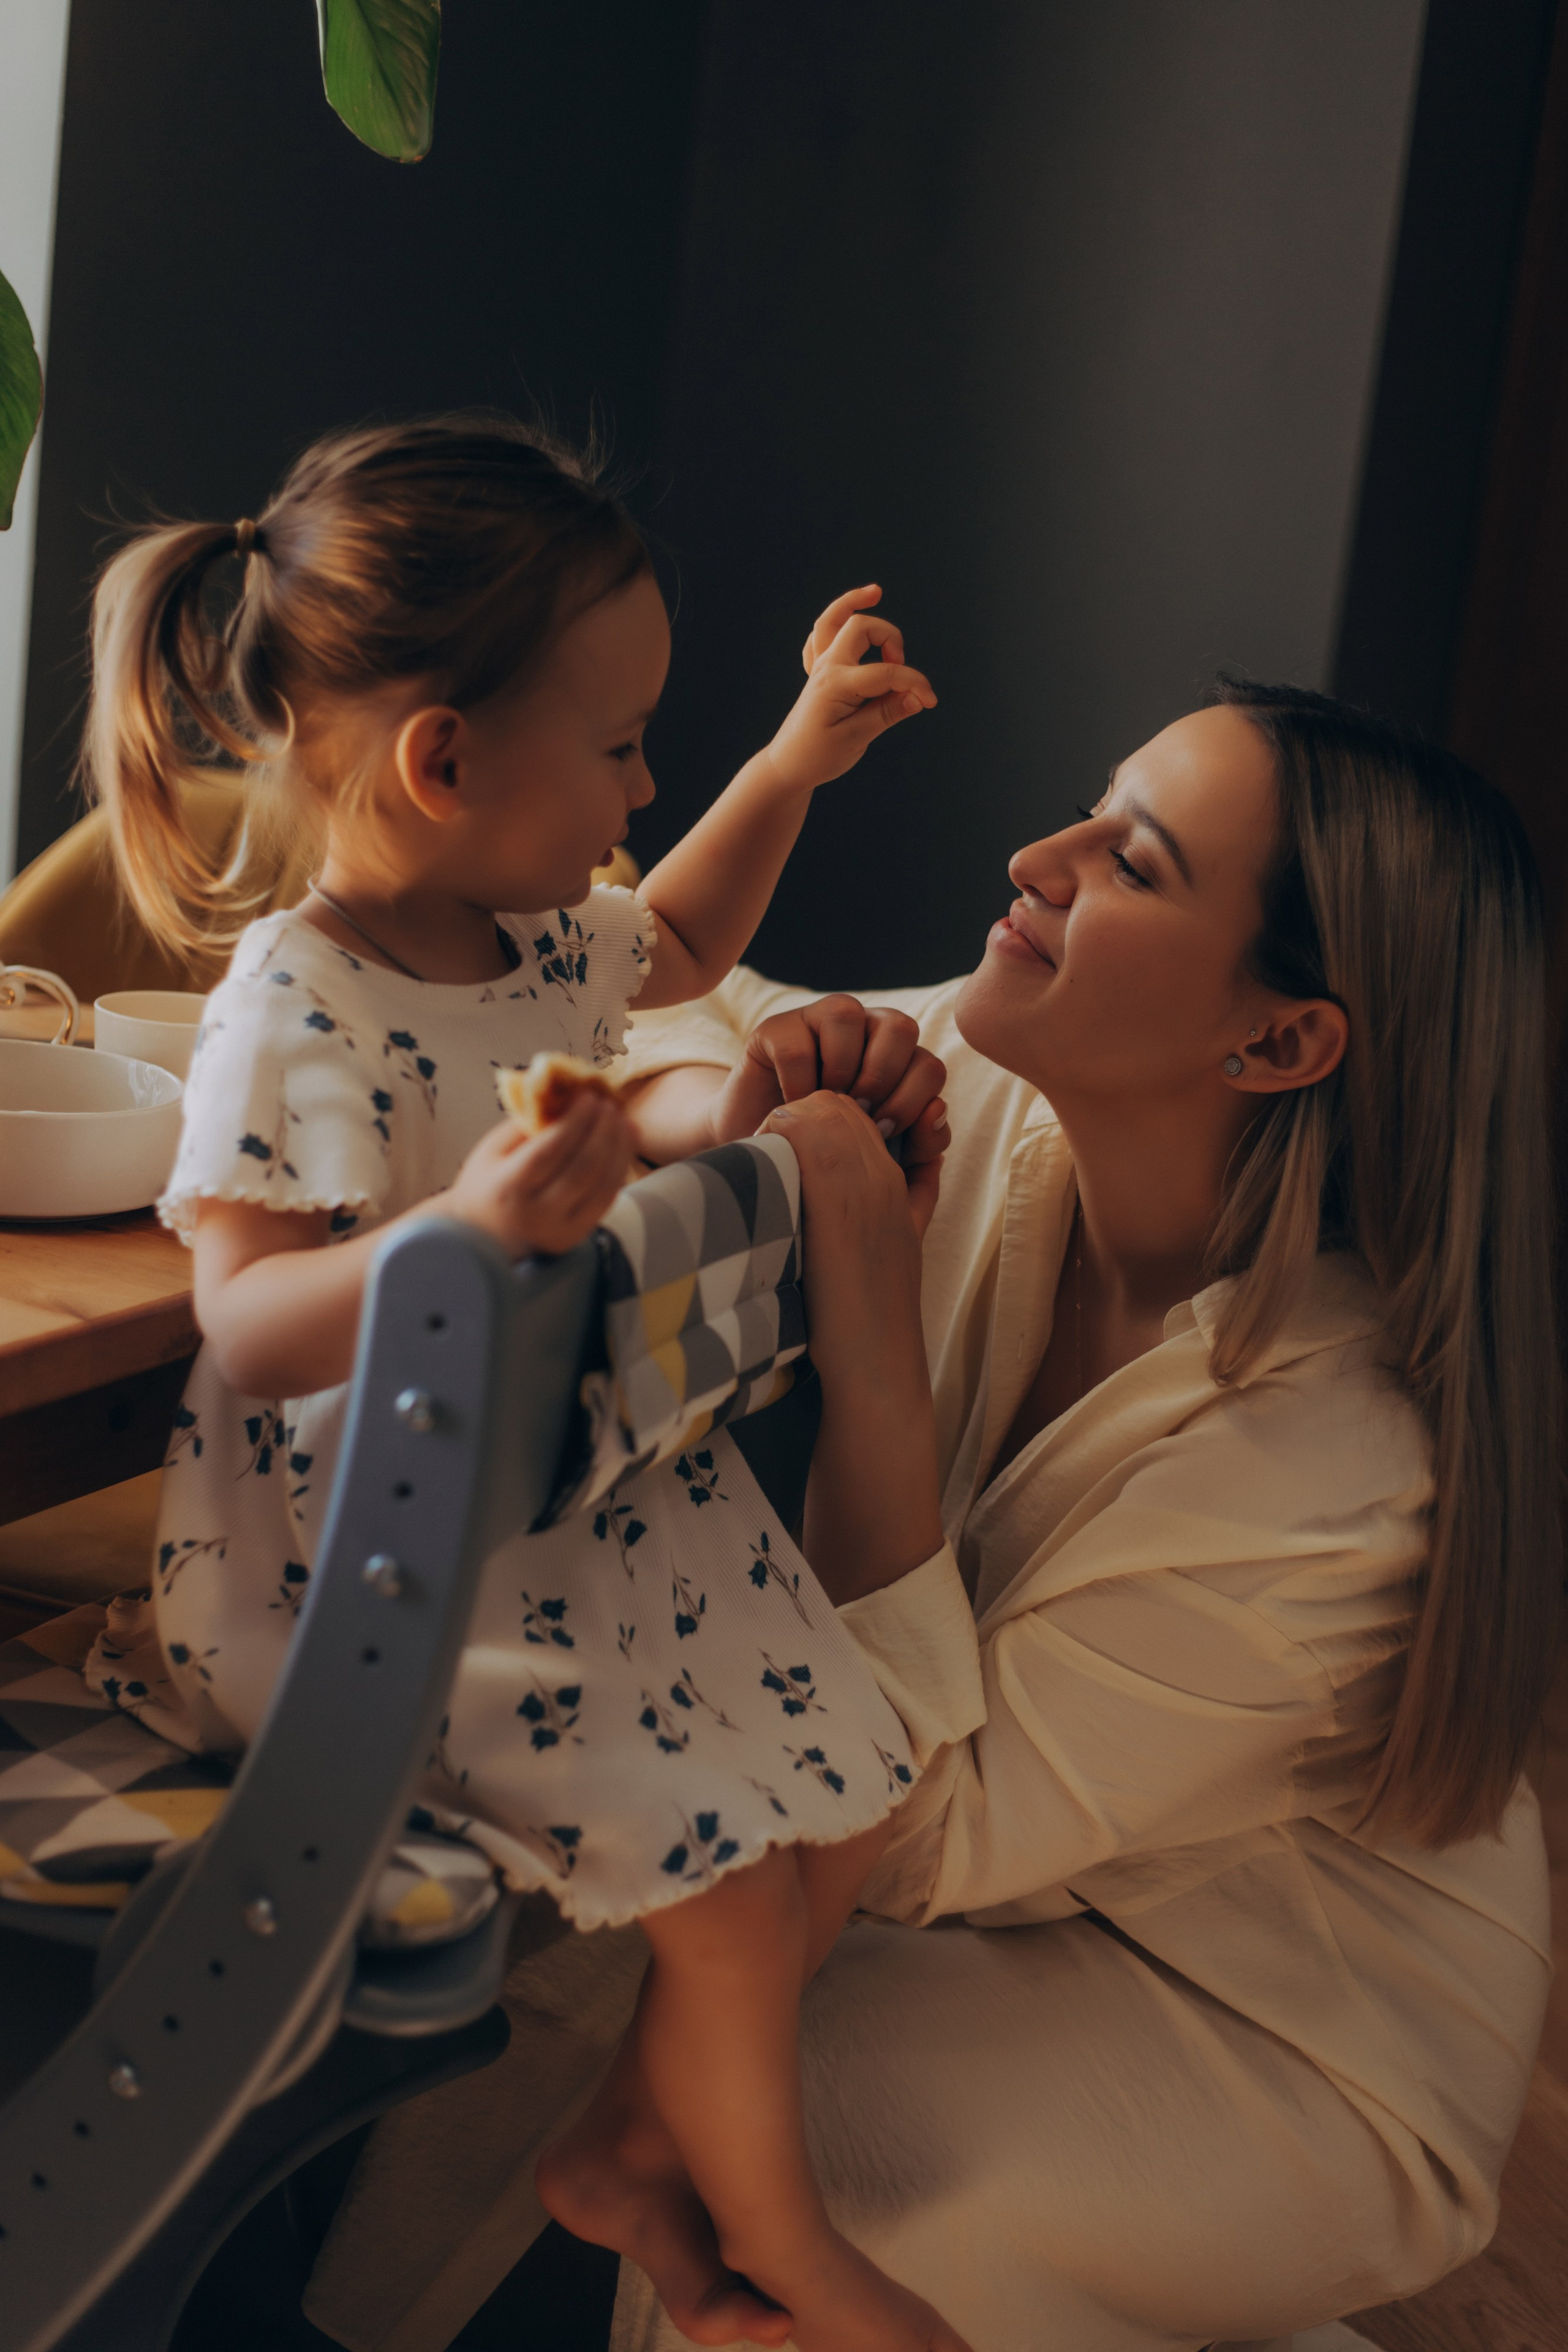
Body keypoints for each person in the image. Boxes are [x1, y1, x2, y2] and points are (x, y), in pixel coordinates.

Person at [78, 414, 974, 2352]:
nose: (646, 785)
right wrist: (456, 1236)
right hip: (359, 1576)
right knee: (733, 1891)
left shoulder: (532, 934)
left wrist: (791, 756)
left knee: (854, 1800)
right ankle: (760, 2227)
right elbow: (245, 1328)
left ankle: (633, 2151)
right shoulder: (293, 1006)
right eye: (629, 743)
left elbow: (694, 940)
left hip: (557, 1507)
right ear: (446, 758)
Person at [600, 673, 1559, 2348]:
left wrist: (875, 1343)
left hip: (1273, 2028)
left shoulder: (1334, 1467)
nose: (1039, 857)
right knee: (604, 1973)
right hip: (1023, 1900)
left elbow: (915, 1838)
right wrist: (769, 1080)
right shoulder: (1030, 1113)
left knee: (783, 2146)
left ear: (1276, 1040)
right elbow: (667, 1005)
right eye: (1089, 811)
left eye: (1133, 861)